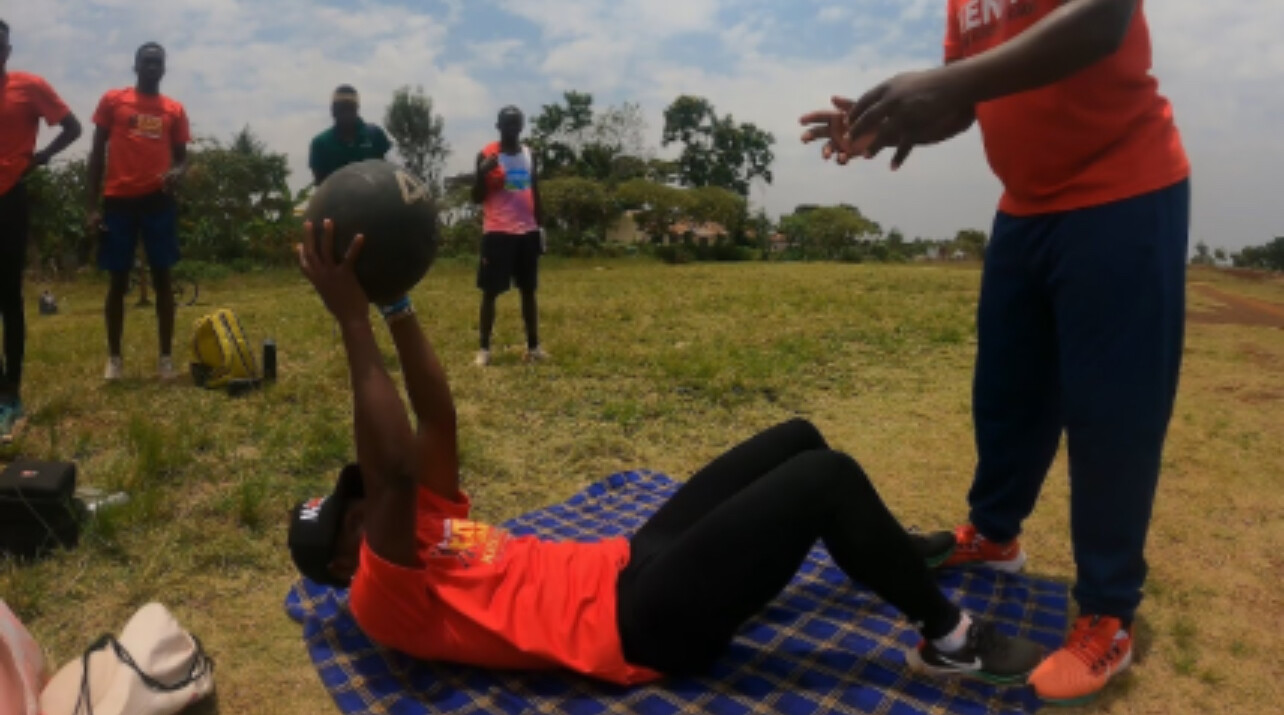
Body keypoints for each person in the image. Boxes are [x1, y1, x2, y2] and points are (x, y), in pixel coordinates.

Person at [287, 219, 1046, 687]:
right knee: (827, 478)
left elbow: (436, 420)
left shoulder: (425, 523)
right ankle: (950, 640)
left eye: (355, 503)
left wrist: (396, 303)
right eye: (350, 525)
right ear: (343, 568)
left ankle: (889, 556)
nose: (366, 511)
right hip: (639, 624)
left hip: (627, 561)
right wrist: (352, 320)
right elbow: (392, 470)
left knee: (798, 436)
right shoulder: (380, 597)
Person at [800, 0, 1188, 704]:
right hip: (1026, 206)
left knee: (1113, 411)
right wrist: (892, 121)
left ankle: (1108, 611)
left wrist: (945, 82)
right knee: (1009, 391)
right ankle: (994, 536)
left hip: (1123, 190)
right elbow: (965, 99)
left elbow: (1103, 20)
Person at [86, 42, 192, 382]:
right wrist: (91, 207)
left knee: (163, 279)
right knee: (118, 281)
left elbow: (182, 159)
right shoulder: (113, 101)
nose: (152, 67)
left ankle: (165, 360)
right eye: (146, 62)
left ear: (164, 69)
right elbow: (96, 153)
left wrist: (177, 173)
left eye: (157, 62)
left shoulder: (174, 110)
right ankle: (114, 360)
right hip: (118, 200)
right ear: (135, 66)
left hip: (158, 202)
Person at [0, 19, 82, 438]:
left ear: (7, 50)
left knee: (8, 296)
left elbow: (73, 127)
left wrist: (41, 158)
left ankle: (11, 394)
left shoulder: (29, 87)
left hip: (9, 198)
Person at [471, 106, 545, 367]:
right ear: (498, 126)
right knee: (490, 293)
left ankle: (534, 347)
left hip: (527, 231)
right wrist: (481, 173)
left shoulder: (529, 154)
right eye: (507, 124)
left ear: (521, 126)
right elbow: (476, 197)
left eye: (516, 124)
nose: (512, 129)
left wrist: (540, 228)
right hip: (498, 232)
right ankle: (484, 349)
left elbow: (535, 191)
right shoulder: (487, 155)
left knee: (528, 291)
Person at [308, 85, 391, 186]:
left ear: (356, 109)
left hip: (375, 193)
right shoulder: (320, 143)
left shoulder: (374, 134)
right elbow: (320, 183)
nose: (345, 113)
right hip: (337, 195)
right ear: (333, 110)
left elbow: (385, 170)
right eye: (341, 108)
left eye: (349, 108)